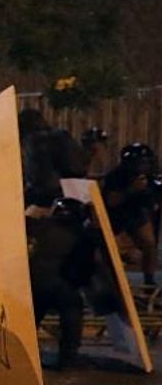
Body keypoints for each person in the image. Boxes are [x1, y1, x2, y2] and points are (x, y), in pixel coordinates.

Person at [28, 198, 99, 370]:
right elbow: (86, 266)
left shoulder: (39, 227)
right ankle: (68, 358)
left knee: (33, 316)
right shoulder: (83, 235)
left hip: (34, 282)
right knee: (72, 313)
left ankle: (27, 353)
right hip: (61, 285)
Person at [103, 143, 157, 285]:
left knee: (149, 243)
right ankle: (113, 280)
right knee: (111, 250)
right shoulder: (115, 176)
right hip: (113, 216)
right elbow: (111, 201)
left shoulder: (148, 176)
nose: (145, 166)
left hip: (135, 213)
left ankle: (149, 279)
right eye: (142, 162)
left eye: (147, 162)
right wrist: (132, 189)